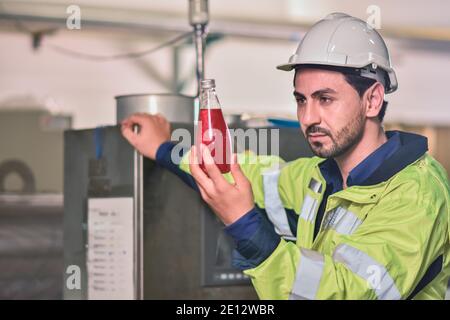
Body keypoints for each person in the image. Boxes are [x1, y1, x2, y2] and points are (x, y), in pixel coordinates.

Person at [121, 13, 450, 300]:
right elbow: (237, 171)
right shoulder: (319, 179)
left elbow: (348, 291)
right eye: (301, 100)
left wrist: (246, 226)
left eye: (325, 99)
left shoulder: (417, 195)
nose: (308, 118)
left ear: (373, 100)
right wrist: (163, 148)